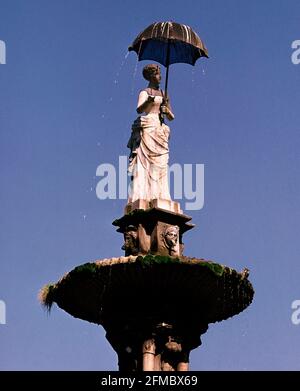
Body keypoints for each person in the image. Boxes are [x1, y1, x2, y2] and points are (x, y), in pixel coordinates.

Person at [127, 64, 174, 204]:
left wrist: (166, 111)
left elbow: (171, 116)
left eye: (160, 75)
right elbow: (139, 109)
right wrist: (148, 100)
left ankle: (161, 194)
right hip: (148, 128)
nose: (160, 78)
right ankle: (143, 194)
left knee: (161, 164)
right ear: (151, 75)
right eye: (158, 74)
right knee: (145, 164)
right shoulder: (144, 92)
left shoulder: (164, 94)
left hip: (159, 130)